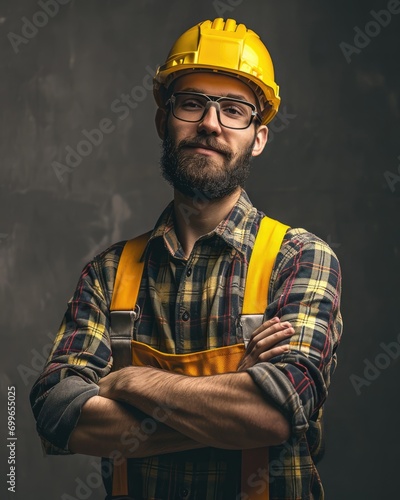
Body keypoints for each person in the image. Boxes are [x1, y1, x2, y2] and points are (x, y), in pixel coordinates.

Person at [30, 18, 343, 500]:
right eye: (192, 103)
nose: (211, 123)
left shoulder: (300, 258)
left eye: (234, 109)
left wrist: (128, 379)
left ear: (257, 138)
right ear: (163, 120)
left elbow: (276, 413)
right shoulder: (108, 275)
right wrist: (237, 401)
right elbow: (57, 414)